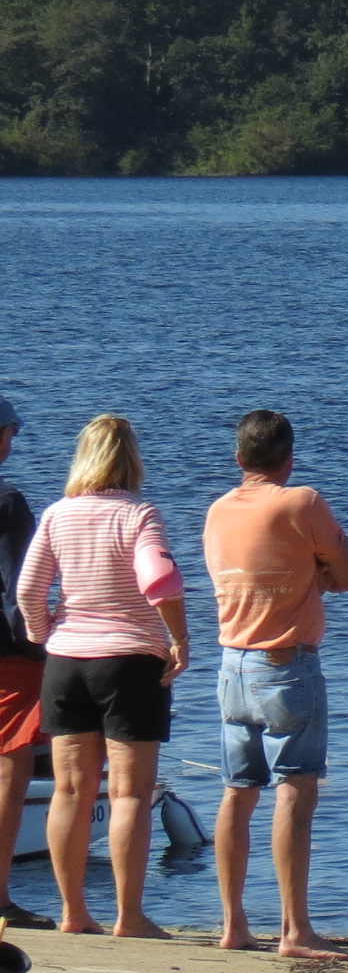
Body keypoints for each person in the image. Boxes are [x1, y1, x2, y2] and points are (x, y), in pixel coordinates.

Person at [13, 414, 185, 938]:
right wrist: (179, 639)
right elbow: (157, 576)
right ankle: (128, 917)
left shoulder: (57, 514)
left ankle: (73, 914)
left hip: (66, 664)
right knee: (129, 794)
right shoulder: (138, 514)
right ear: (130, 458)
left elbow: (26, 591)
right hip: (129, 662)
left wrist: (46, 636)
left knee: (69, 791)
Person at [203, 408, 348, 960]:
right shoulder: (302, 502)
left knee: (237, 790)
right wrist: (313, 577)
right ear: (288, 460)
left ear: (239, 458)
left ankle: (233, 923)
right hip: (285, 665)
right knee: (295, 787)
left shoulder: (218, 510)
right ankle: (295, 930)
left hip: (231, 663)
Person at [0, 395, 44, 922]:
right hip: (8, 661)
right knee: (10, 773)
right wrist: (42, 648)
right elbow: (19, 595)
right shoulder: (8, 502)